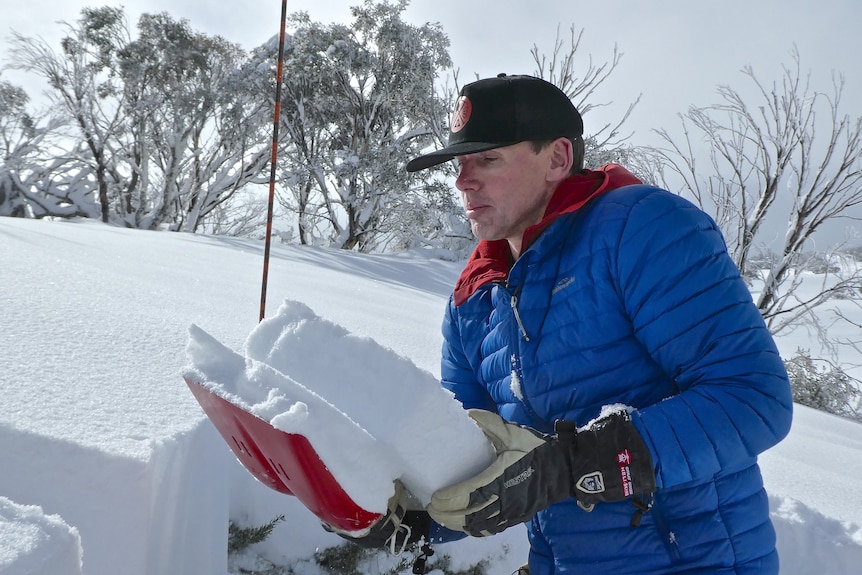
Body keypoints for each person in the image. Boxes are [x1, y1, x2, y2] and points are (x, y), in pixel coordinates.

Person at [332, 74, 793, 575]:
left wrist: (570, 465)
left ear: (557, 158)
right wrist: (411, 512)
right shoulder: (471, 300)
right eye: (461, 163)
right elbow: (479, 464)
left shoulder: (643, 228)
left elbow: (752, 399)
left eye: (487, 159)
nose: (464, 180)